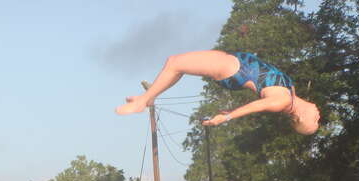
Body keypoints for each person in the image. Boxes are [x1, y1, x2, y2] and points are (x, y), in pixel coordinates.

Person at [116, 50, 320, 135]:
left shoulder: (282, 102)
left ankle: (142, 102)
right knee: (177, 64)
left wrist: (227, 117)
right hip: (238, 65)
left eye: (315, 122)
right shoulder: (291, 94)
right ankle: (148, 97)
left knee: (174, 63)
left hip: (236, 70)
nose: (319, 116)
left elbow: (255, 106)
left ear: (300, 117)